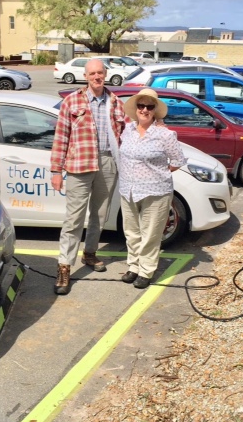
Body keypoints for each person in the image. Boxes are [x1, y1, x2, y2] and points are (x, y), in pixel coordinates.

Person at [50, 58, 131, 295]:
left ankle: (90, 254)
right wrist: (56, 170)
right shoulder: (72, 101)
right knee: (73, 218)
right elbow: (61, 137)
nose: (97, 77)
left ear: (105, 74)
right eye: (92, 73)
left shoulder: (116, 103)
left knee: (100, 214)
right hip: (79, 165)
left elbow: (129, 134)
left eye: (100, 73)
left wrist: (157, 126)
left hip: (107, 162)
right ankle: (64, 266)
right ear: (85, 76)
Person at [118, 88, 186, 289]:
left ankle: (146, 270)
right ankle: (133, 266)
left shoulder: (165, 134)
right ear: (136, 108)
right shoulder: (128, 130)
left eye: (149, 106)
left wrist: (157, 173)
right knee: (131, 231)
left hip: (155, 191)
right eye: (141, 105)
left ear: (155, 110)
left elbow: (178, 160)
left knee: (150, 234)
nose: (145, 110)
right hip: (128, 189)